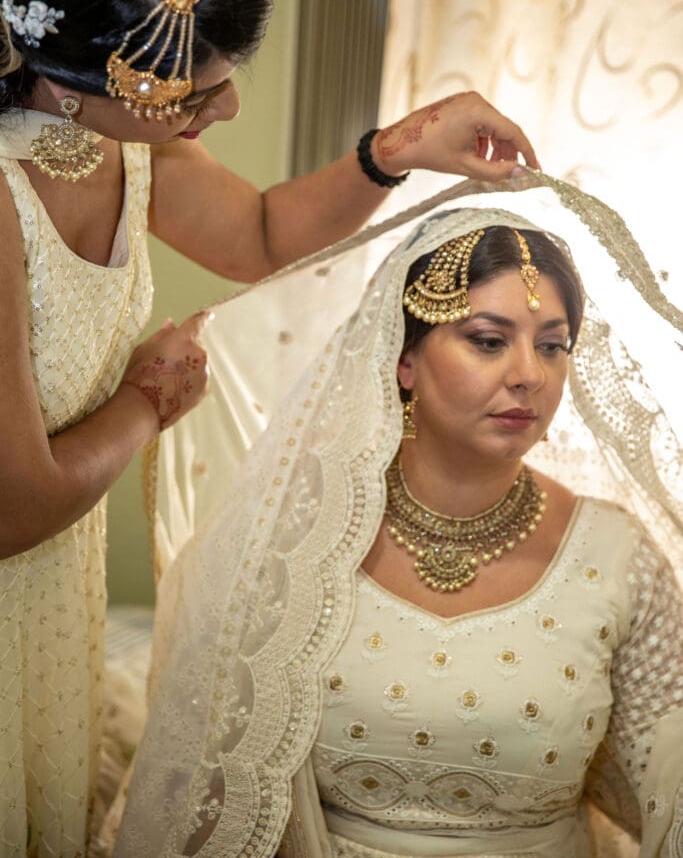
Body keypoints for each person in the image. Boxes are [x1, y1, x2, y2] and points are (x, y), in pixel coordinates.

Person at [0, 0, 540, 857]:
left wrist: (397, 149)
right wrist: (144, 401)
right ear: (77, 84)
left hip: (46, 592)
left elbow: (254, 233)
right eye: (192, 95)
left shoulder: (116, 139)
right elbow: (13, 506)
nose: (228, 111)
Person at [113, 177, 683, 857]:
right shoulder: (283, 546)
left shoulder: (615, 556)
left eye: (552, 345)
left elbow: (666, 785)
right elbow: (208, 794)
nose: (529, 373)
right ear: (403, 357)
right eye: (486, 339)